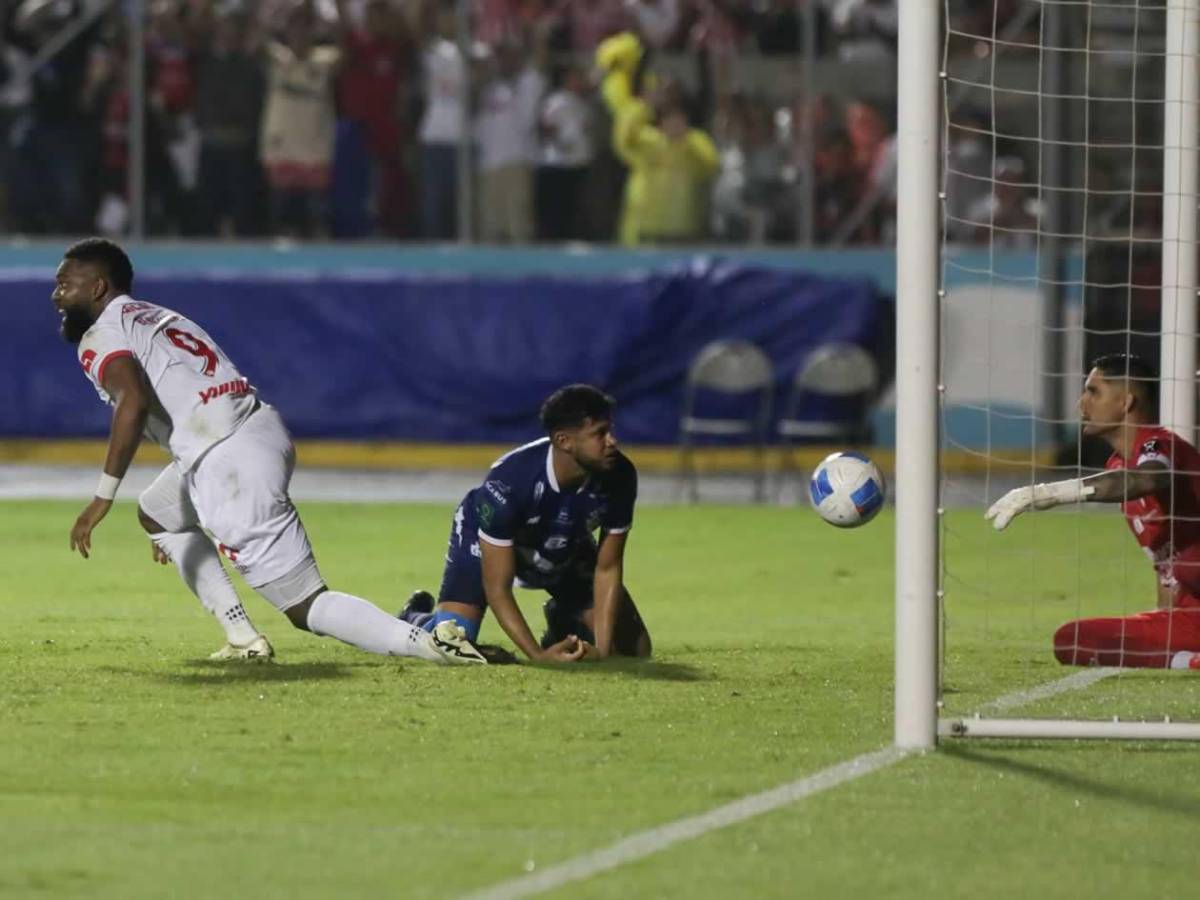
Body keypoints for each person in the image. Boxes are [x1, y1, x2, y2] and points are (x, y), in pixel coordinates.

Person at [53, 238, 485, 666]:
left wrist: (101, 497)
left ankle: (432, 643)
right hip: (257, 428)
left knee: (306, 605)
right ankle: (242, 638)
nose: (57, 295)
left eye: (65, 284)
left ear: (97, 288)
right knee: (157, 513)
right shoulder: (158, 315)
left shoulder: (100, 334)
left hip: (227, 461)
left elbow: (133, 401)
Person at [399, 384, 651, 663]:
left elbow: (608, 566)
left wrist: (603, 651)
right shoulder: (509, 482)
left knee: (634, 649)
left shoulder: (620, 475)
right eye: (599, 434)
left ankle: (563, 622)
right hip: (491, 544)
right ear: (565, 441)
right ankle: (416, 618)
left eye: (610, 430)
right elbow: (498, 587)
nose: (612, 441)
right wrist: (537, 656)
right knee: (453, 643)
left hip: (562, 546)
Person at [986, 354, 1200, 669]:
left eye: (1093, 392)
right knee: (1072, 640)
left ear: (1125, 402)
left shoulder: (1159, 445)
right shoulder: (1115, 466)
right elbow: (1165, 568)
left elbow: (1148, 478)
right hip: (1191, 616)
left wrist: (1052, 493)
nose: (1081, 404)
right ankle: (1190, 660)